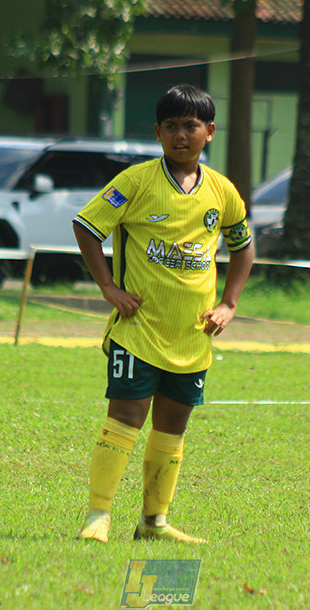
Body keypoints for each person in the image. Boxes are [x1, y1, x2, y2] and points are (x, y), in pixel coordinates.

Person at [72, 83, 255, 544]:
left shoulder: (222, 191)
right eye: (170, 126)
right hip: (139, 331)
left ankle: (154, 523)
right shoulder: (136, 181)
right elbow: (86, 225)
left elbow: (244, 245)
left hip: (192, 335)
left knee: (172, 426)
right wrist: (109, 288)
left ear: (209, 132)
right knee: (126, 417)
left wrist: (229, 303)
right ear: (157, 132)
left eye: (190, 126)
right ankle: (98, 516)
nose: (180, 135)